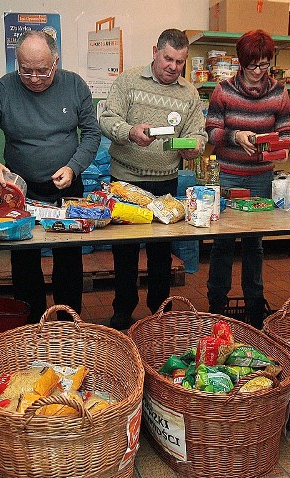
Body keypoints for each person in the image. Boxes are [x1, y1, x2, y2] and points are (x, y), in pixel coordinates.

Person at [0, 30, 100, 323]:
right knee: (24, 264)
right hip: (19, 193)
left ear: (56, 61)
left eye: (42, 71)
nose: (34, 78)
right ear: (17, 62)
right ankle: (31, 327)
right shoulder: (2, 89)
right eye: (26, 70)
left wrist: (74, 166)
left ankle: (67, 324)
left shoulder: (75, 85)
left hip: (66, 189)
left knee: (68, 262)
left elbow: (91, 133)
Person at [99, 29, 206, 330]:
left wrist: (194, 146)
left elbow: (198, 133)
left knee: (161, 254)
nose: (173, 67)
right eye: (168, 58)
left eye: (180, 61)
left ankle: (159, 312)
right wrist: (129, 131)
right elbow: (107, 120)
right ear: (155, 51)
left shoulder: (189, 93)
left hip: (165, 183)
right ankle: (123, 311)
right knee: (125, 254)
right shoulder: (129, 81)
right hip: (125, 181)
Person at [205, 29, 290, 329]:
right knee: (223, 244)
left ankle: (255, 309)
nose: (258, 72)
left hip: (260, 178)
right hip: (229, 176)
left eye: (264, 65)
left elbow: (286, 134)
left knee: (255, 244)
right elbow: (212, 131)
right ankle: (216, 306)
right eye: (252, 65)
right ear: (240, 63)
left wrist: (282, 149)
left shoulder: (279, 93)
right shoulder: (223, 90)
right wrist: (235, 135)